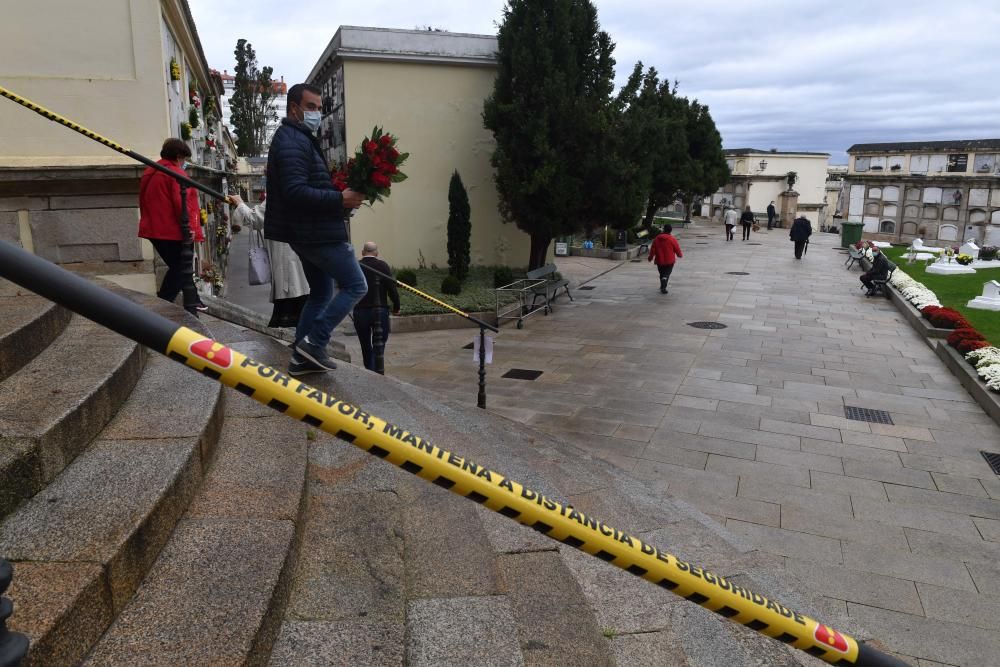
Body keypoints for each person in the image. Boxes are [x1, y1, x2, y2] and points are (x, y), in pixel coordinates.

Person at [264, 83, 366, 377]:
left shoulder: (299, 138)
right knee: (356, 285)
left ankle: (301, 358)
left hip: (308, 231)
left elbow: (307, 186)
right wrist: (339, 198)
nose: (317, 113)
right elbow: (295, 191)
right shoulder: (292, 141)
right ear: (294, 108)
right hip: (316, 233)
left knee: (320, 293)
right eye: (311, 107)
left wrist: (342, 201)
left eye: (320, 108)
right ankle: (315, 342)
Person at [138, 138, 207, 316]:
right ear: (178, 156)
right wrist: (191, 228)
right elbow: (182, 204)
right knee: (180, 268)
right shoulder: (176, 174)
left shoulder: (151, 171)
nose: (184, 163)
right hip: (172, 230)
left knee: (179, 267)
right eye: (183, 159)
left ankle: (195, 299)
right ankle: (162, 304)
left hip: (154, 228)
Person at [229, 193, 309, 328]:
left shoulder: (278, 195)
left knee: (291, 296)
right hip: (298, 254)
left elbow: (254, 219)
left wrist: (240, 203)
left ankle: (300, 340)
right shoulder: (298, 193)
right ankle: (301, 338)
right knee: (301, 297)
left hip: (286, 257)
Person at [353, 241, 401, 371]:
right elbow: (392, 288)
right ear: (376, 253)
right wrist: (396, 306)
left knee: (365, 344)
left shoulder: (356, 265)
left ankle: (370, 369)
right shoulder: (382, 266)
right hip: (379, 310)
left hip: (360, 310)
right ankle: (376, 370)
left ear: (363, 252)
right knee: (379, 343)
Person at [647, 224, 683, 294]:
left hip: (659, 260)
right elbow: (677, 248)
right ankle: (664, 283)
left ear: (663, 229)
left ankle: (662, 285)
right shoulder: (672, 239)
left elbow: (652, 250)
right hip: (670, 260)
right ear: (671, 230)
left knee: (662, 273)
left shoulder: (657, 238)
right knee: (667, 273)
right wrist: (679, 255)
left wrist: (650, 258)